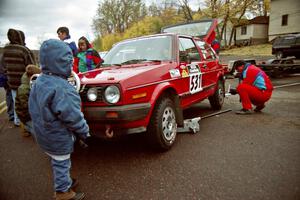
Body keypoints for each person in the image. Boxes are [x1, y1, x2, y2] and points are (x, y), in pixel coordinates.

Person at [29, 39, 89, 200]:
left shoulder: (39, 81)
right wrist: (85, 132)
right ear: (62, 62)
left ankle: (65, 181)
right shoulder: (62, 89)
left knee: (56, 160)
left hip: (43, 133)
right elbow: (73, 117)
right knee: (62, 162)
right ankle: (63, 192)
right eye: (69, 62)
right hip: (57, 136)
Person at [2, 28, 36, 126]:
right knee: (25, 103)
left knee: (16, 102)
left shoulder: (6, 49)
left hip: (11, 81)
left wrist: (8, 73)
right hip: (23, 81)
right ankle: (26, 123)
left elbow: (3, 65)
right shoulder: (23, 50)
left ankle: (18, 121)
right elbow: (31, 66)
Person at [15, 64, 41, 137]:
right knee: (39, 133)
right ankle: (27, 127)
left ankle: (26, 127)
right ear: (32, 76)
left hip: (27, 112)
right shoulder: (24, 88)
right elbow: (26, 106)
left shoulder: (31, 84)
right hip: (25, 115)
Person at [0, 52, 14, 121]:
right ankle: (12, 114)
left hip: (6, 77)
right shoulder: (6, 55)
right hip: (8, 77)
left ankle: (11, 114)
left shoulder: (2, 55)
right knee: (10, 95)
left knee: (9, 95)